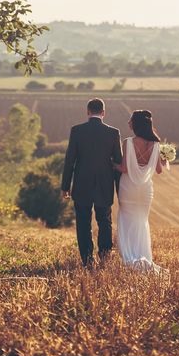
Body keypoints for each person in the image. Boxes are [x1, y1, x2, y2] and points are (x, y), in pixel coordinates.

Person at [61, 98, 122, 267]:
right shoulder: (113, 132)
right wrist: (119, 189)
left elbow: (69, 161)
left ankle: (87, 259)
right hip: (104, 184)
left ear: (87, 112)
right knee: (105, 221)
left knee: (83, 222)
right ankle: (104, 256)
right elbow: (118, 162)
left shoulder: (77, 131)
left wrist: (65, 186)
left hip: (82, 184)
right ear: (103, 113)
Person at [115, 110, 167, 272]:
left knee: (126, 220)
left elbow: (124, 168)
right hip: (145, 190)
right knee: (141, 221)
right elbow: (159, 170)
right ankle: (143, 255)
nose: (128, 123)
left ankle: (129, 256)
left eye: (130, 120)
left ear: (136, 124)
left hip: (128, 187)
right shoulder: (156, 144)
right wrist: (164, 159)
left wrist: (111, 164)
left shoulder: (128, 142)